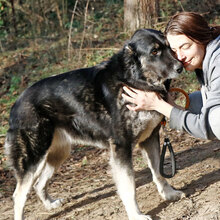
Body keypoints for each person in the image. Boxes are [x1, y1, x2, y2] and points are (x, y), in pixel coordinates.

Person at [122, 12, 220, 140]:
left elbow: (209, 128)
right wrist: (170, 106)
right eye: (174, 50)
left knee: (216, 120)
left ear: (202, 38)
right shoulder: (206, 55)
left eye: (185, 46)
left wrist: (158, 105)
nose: (179, 57)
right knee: (194, 101)